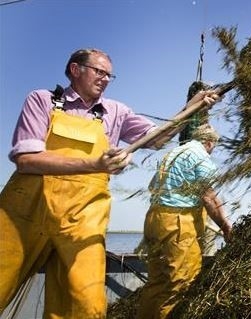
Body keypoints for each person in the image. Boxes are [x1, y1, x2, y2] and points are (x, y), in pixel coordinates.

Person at [0, 48, 221, 319]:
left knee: (87, 307)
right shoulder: (43, 100)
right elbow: (26, 160)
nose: (105, 79)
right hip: (24, 216)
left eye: (109, 75)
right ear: (75, 69)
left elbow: (157, 138)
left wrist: (190, 109)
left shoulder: (115, 112)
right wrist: (94, 165)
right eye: (99, 72)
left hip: (81, 222)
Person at [137, 124, 233, 319]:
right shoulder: (201, 158)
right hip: (178, 224)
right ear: (209, 142)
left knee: (156, 281)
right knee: (180, 284)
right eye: (213, 147)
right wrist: (225, 225)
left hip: (155, 219)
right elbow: (209, 197)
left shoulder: (174, 153)